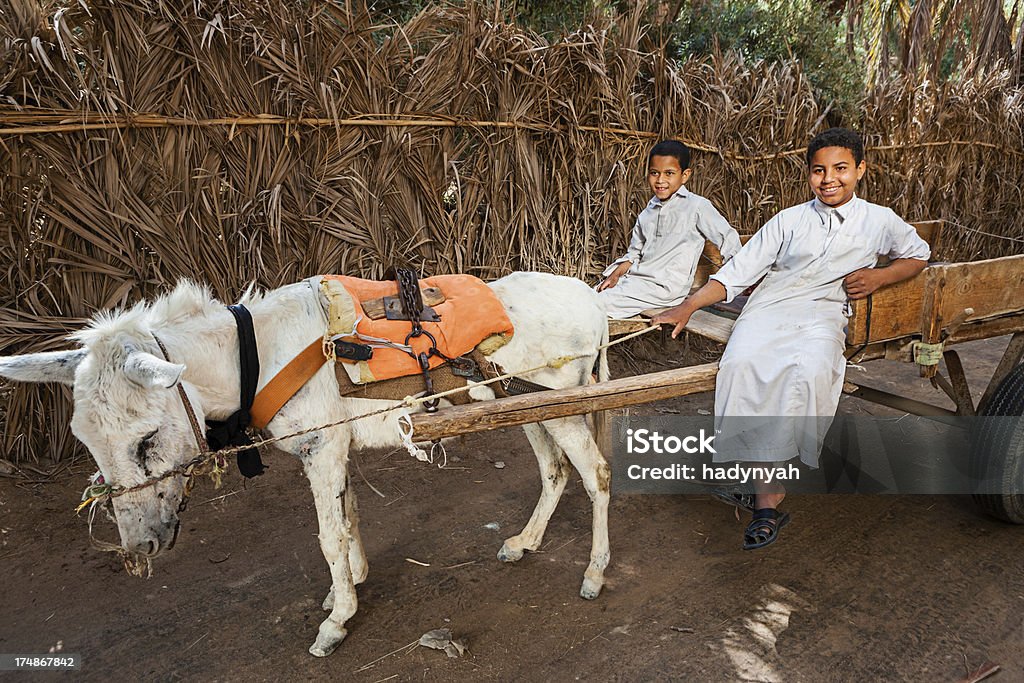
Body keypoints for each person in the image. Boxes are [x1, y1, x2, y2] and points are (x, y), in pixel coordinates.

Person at [653, 128, 931, 549]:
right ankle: (752, 476)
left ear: (860, 170)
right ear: (808, 174)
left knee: (808, 371)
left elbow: (918, 254)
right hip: (771, 306)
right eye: (818, 170)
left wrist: (880, 276)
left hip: (822, 314)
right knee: (741, 364)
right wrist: (689, 305)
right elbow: (739, 270)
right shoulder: (789, 220)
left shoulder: (879, 220)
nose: (829, 179)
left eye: (840, 168)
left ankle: (769, 496)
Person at [597, 140, 741, 319]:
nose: (660, 180)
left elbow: (729, 240)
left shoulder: (696, 207)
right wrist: (615, 275)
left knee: (595, 306)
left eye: (669, 173)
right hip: (637, 280)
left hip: (665, 288)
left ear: (685, 175)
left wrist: (736, 279)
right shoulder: (647, 212)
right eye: (654, 173)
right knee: (588, 295)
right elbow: (634, 255)